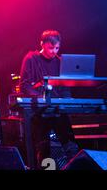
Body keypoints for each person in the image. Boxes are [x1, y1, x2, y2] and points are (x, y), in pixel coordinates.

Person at [19, 30, 79, 168]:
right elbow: (24, 85)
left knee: (70, 145)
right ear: (42, 44)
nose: (54, 51)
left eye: (57, 48)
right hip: (39, 111)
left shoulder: (60, 62)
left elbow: (65, 87)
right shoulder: (31, 59)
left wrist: (67, 100)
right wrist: (41, 98)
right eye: (51, 48)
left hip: (58, 110)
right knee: (43, 146)